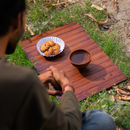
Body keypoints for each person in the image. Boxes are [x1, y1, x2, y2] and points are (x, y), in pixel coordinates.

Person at [0, 0, 116, 130]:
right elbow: (69, 127)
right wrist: (67, 87)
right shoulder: (19, 80)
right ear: (17, 20)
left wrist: (31, 86)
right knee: (101, 120)